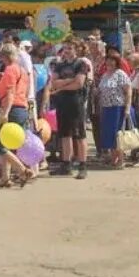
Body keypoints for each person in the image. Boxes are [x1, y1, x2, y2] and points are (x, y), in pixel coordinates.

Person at [0, 42, 34, 188]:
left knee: (0, 146)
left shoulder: (10, 70)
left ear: (5, 56)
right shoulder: (22, 71)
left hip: (12, 109)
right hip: (22, 108)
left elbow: (10, 93)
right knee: (8, 146)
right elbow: (25, 92)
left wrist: (6, 113)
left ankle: (22, 170)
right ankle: (5, 178)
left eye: (2, 56)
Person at [48, 40, 90, 179]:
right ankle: (66, 164)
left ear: (76, 49)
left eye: (70, 48)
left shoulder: (81, 64)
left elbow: (79, 83)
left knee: (79, 135)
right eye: (65, 48)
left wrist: (62, 85)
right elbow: (53, 82)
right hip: (62, 103)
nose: (67, 51)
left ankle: (82, 165)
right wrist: (68, 81)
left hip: (76, 102)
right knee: (65, 135)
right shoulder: (59, 65)